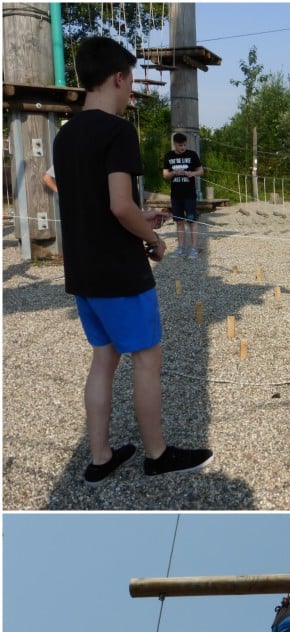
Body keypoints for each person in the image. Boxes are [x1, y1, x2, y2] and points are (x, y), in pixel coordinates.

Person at [53, 36, 214, 485]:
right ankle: (157, 454)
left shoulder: (64, 137)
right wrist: (152, 241)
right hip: (120, 273)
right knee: (147, 360)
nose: (129, 96)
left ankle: (100, 457)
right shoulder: (118, 131)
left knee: (103, 360)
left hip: (82, 272)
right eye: (128, 86)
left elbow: (92, 203)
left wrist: (140, 218)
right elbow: (120, 206)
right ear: (119, 77)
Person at [163, 132, 204, 258]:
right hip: (176, 195)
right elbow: (165, 175)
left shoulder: (192, 155)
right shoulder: (168, 156)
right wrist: (174, 172)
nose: (183, 147)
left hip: (189, 195)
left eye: (185, 145)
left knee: (192, 220)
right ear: (175, 144)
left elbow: (201, 171)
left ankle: (194, 249)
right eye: (180, 145)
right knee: (179, 221)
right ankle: (180, 248)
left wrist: (192, 174)